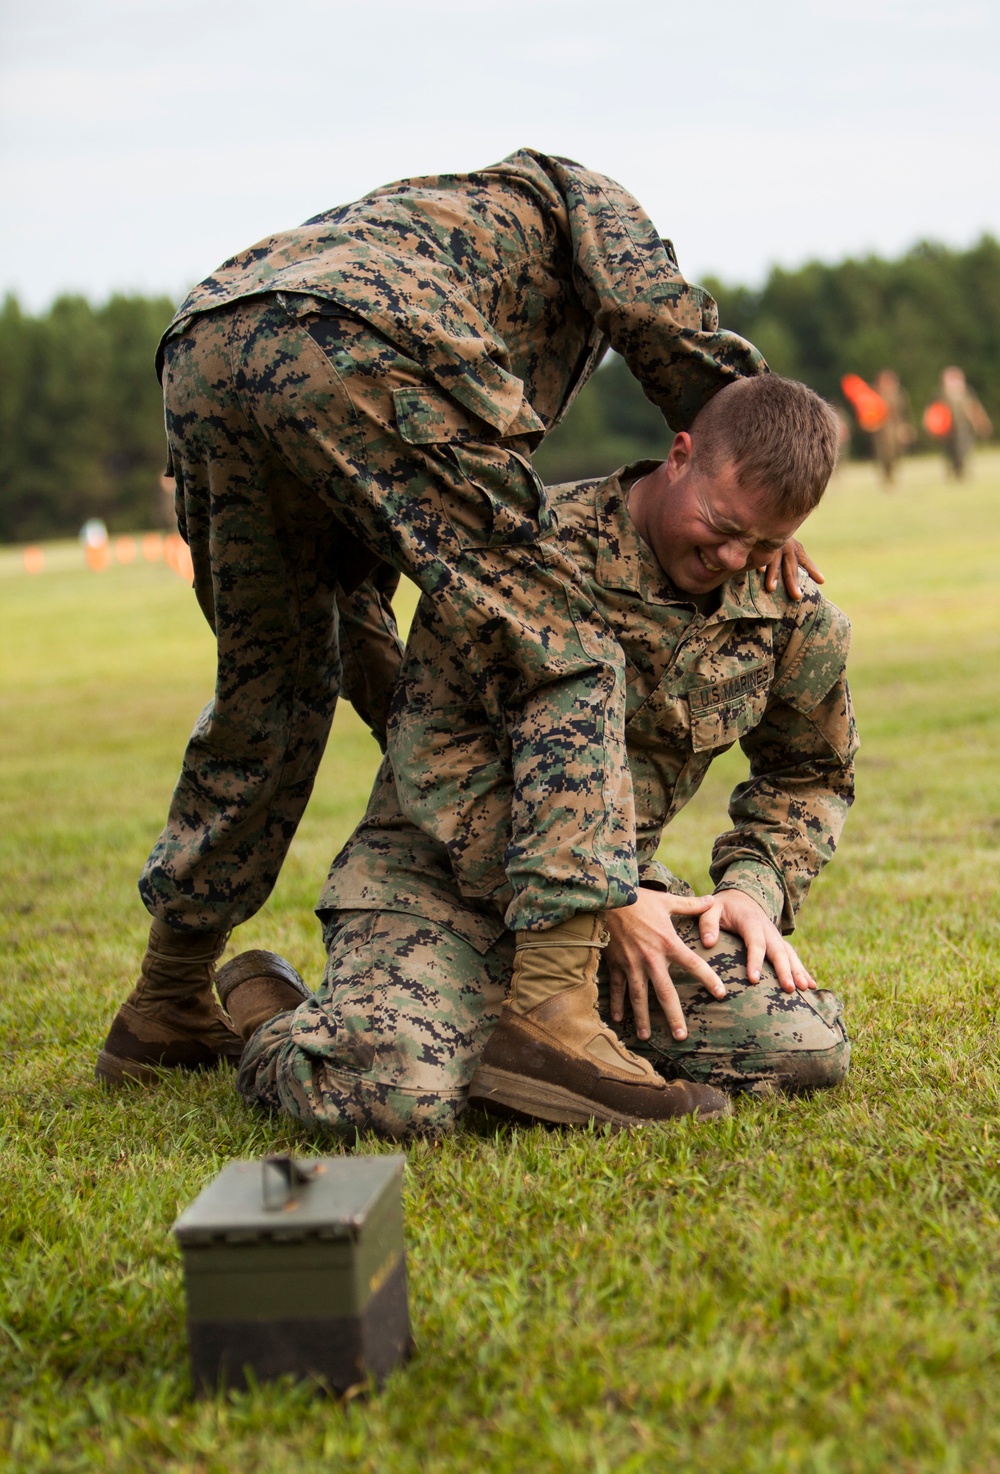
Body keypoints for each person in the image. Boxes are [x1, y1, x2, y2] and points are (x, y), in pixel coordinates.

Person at [95, 148, 778, 1124]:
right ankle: (549, 1020)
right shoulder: (573, 191)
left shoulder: (421, 226)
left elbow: (381, 638)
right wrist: (777, 502)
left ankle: (165, 1001)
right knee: (566, 640)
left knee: (272, 688)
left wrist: (464, 778)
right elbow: (676, 334)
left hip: (209, 344)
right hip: (357, 337)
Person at [221, 375, 856, 1136]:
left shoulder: (786, 609)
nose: (730, 555)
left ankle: (501, 1031)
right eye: (721, 524)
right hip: (436, 882)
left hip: (623, 901)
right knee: (388, 1098)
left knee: (801, 1045)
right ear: (679, 455)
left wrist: (755, 889)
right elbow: (436, 752)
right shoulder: (524, 554)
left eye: (763, 541)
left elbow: (810, 773)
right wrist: (595, 897)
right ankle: (274, 1009)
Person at [925, 366, 993, 479]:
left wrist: (981, 422)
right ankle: (954, 470)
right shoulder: (940, 393)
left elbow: (974, 407)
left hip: (964, 426)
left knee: (964, 448)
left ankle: (962, 470)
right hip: (948, 429)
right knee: (950, 452)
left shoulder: (966, 391)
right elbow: (933, 411)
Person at [871, 370, 914, 486]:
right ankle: (886, 476)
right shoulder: (875, 394)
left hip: (896, 427)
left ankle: (893, 473)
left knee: (897, 452)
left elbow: (906, 411)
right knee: (884, 454)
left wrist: (906, 426)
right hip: (881, 429)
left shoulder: (900, 394)